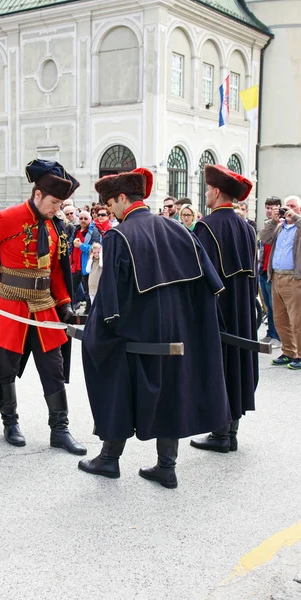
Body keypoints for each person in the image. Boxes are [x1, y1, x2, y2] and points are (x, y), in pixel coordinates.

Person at [78, 168, 231, 489]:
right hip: (180, 332)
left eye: (111, 202)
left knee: (117, 387)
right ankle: (166, 466)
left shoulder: (118, 236)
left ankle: (108, 459)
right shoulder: (179, 229)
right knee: (171, 393)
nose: (111, 209)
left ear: (122, 199)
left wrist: (95, 335)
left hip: (137, 334)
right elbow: (211, 283)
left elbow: (109, 299)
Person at [0, 159, 86, 455]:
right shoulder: (8, 218)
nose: (57, 209)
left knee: (53, 368)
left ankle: (60, 430)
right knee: (5, 368)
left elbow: (56, 271)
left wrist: (66, 305)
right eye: (54, 203)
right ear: (37, 195)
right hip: (10, 304)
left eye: (61, 204)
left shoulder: (55, 226)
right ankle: (11, 423)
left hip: (44, 307)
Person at [190, 164, 258, 453]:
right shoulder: (245, 226)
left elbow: (200, 275)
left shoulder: (207, 226)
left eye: (207, 189)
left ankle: (220, 433)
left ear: (216, 192)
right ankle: (231, 432)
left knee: (218, 364)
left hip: (218, 307)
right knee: (238, 362)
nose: (206, 193)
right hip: (242, 306)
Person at [260, 195, 301, 370]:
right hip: (276, 277)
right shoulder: (279, 228)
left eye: (292, 206)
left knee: (297, 319)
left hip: (294, 278)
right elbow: (264, 237)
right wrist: (273, 220)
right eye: (286, 206)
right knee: (280, 319)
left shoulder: (298, 227)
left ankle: (299, 354)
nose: (287, 209)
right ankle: (288, 351)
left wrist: (296, 218)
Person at [259, 196, 282, 348]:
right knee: (267, 304)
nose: (269, 211)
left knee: (275, 306)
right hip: (263, 269)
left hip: (273, 271)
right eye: (267, 207)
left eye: (273, 208)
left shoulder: (281, 225)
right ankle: (270, 332)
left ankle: (278, 335)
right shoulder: (267, 225)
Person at [71, 210, 101, 313]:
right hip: (75, 265)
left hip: (87, 266)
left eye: (86, 218)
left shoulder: (94, 232)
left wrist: (81, 246)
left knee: (89, 291)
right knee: (71, 290)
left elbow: (96, 249)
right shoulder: (76, 230)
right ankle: (71, 309)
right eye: (81, 218)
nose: (83, 220)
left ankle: (88, 312)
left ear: (90, 219)